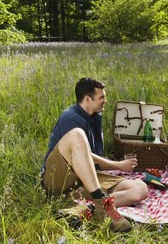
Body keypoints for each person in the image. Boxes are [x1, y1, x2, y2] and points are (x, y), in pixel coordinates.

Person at [41, 77, 148, 232]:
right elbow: (86, 155)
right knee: (77, 134)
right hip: (58, 178)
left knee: (140, 189)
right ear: (87, 99)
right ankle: (99, 199)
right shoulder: (70, 118)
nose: (105, 100)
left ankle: (89, 209)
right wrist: (118, 165)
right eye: (101, 97)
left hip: (82, 182)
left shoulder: (94, 117)